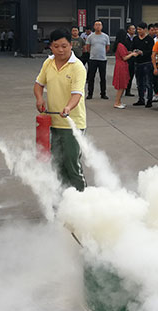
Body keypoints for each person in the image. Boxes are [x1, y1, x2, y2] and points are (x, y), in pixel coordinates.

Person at [34, 29, 87, 191]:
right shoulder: (48, 63)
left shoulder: (78, 67)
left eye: (64, 46)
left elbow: (77, 94)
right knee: (57, 165)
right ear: (51, 47)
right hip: (53, 122)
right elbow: (38, 84)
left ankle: (83, 200)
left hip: (73, 124)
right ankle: (63, 200)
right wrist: (39, 98)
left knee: (72, 165)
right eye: (56, 46)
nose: (61, 50)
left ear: (71, 45)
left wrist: (68, 107)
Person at [85, 21, 110, 100]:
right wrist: (93, 53)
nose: (98, 26)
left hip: (102, 59)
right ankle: (90, 94)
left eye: (99, 25)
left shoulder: (105, 36)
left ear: (102, 26)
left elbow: (107, 47)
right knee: (91, 77)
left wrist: (102, 53)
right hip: (93, 59)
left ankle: (103, 93)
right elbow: (88, 47)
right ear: (94, 26)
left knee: (103, 77)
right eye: (96, 25)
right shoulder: (90, 37)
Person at [131, 22, 155, 107]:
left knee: (148, 83)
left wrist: (142, 52)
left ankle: (149, 100)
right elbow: (132, 48)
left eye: (140, 29)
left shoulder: (149, 39)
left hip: (147, 63)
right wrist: (135, 52)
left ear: (145, 30)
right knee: (139, 83)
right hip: (137, 63)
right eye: (137, 29)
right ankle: (141, 99)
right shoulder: (135, 39)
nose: (138, 31)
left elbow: (151, 51)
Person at [111, 29, 136, 109]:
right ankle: (117, 102)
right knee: (121, 85)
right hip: (121, 66)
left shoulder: (119, 45)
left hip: (121, 65)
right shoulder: (120, 45)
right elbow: (124, 57)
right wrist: (132, 54)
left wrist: (129, 52)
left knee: (122, 84)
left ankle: (119, 101)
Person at [125, 24, 137, 96]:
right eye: (132, 29)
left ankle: (128, 90)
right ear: (128, 30)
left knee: (132, 75)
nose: (134, 30)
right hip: (127, 59)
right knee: (127, 75)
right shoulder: (125, 38)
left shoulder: (135, 38)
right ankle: (126, 89)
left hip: (134, 59)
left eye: (134, 29)